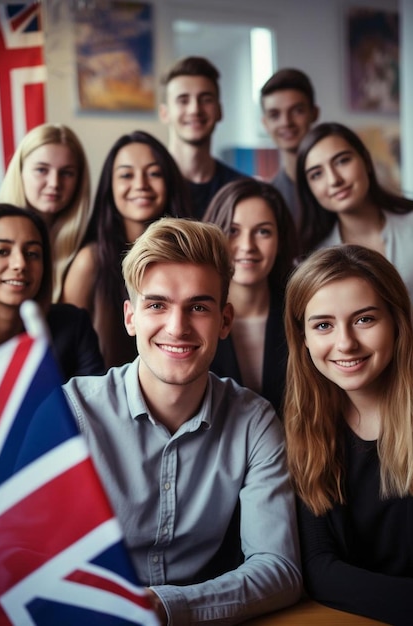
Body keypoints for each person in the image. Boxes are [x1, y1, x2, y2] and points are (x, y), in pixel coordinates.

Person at [62, 217, 302, 625]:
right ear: (130, 317)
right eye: (156, 304)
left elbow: (278, 569)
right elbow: (8, 557)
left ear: (225, 321)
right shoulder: (70, 412)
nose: (177, 327)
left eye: (198, 307)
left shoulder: (254, 422)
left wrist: (165, 606)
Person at [284, 244, 413, 626]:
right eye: (323, 325)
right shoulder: (304, 426)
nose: (345, 344)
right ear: (303, 338)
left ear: (397, 321)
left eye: (364, 320)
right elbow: (319, 569)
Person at [62, 130, 191, 370]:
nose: (140, 185)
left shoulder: (190, 258)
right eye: (126, 175)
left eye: (153, 173)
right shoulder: (90, 261)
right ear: (109, 186)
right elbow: (66, 353)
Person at [0, 203, 104, 383]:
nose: (20, 264)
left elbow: (96, 404)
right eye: (1, 251)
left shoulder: (73, 325)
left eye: (32, 253)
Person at [203, 177, 297, 415]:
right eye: (233, 231)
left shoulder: (303, 316)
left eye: (263, 232)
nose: (247, 246)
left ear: (280, 240)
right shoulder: (195, 316)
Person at [296, 121, 413, 302]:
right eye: (317, 174)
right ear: (309, 188)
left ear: (366, 160)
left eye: (342, 161)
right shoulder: (313, 259)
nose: (334, 180)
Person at [0, 123, 92, 302]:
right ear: (20, 171)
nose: (54, 183)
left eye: (66, 173)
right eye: (41, 170)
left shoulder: (89, 249)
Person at [160, 56, 244, 220]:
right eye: (183, 100)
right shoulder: (145, 188)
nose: (195, 109)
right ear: (165, 113)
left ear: (219, 111)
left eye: (206, 99)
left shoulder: (238, 187)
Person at [261, 68, 319, 224]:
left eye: (297, 111)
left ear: (314, 113)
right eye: (274, 115)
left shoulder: (338, 185)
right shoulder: (268, 198)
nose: (286, 122)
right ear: (265, 123)